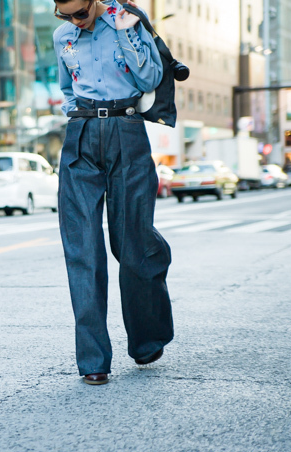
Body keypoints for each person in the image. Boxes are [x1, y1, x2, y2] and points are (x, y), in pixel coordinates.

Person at [53, 0, 173, 385]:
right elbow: (65, 87)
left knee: (134, 244)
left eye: (79, 12)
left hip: (127, 131)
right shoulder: (62, 37)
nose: (74, 20)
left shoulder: (127, 23)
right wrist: (76, 119)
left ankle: (146, 340)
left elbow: (150, 77)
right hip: (81, 136)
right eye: (65, 14)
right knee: (82, 250)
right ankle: (93, 360)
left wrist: (125, 31)